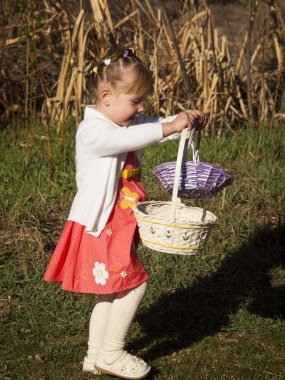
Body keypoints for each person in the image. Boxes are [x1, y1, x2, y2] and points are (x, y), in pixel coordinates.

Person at [44, 48, 207, 379]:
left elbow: (148, 125)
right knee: (133, 285)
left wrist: (180, 123)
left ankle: (94, 356)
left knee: (112, 290)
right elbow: (134, 135)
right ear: (106, 96)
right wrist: (166, 127)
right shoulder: (93, 132)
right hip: (101, 224)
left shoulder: (118, 122)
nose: (141, 108)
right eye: (136, 101)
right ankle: (112, 352)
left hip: (118, 222)